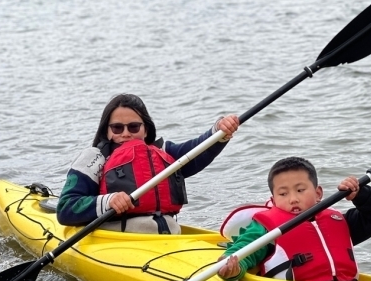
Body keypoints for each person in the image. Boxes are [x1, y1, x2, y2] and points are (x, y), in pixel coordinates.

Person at [56, 93, 240, 234]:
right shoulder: (95, 159)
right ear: (107, 131)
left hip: (168, 235)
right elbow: (66, 208)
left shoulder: (163, 153)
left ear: (145, 130)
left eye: (134, 127)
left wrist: (219, 131)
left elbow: (197, 150)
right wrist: (108, 201)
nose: (125, 134)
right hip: (119, 241)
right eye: (117, 128)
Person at [218, 157, 371, 281]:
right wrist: (233, 269)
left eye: (300, 190)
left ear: (318, 193)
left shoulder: (338, 221)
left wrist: (361, 194)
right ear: (274, 200)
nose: (293, 199)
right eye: (283, 193)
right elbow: (243, 251)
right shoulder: (266, 228)